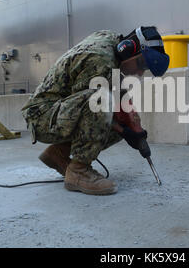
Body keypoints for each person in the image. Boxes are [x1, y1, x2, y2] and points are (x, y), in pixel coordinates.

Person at [21, 26, 170, 195]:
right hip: (42, 116)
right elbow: (95, 104)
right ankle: (78, 171)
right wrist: (124, 130)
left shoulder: (112, 43)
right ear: (127, 49)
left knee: (121, 120)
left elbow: (115, 94)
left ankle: (58, 154)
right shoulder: (101, 59)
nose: (139, 73)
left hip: (60, 111)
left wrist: (133, 127)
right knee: (102, 101)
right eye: (141, 64)